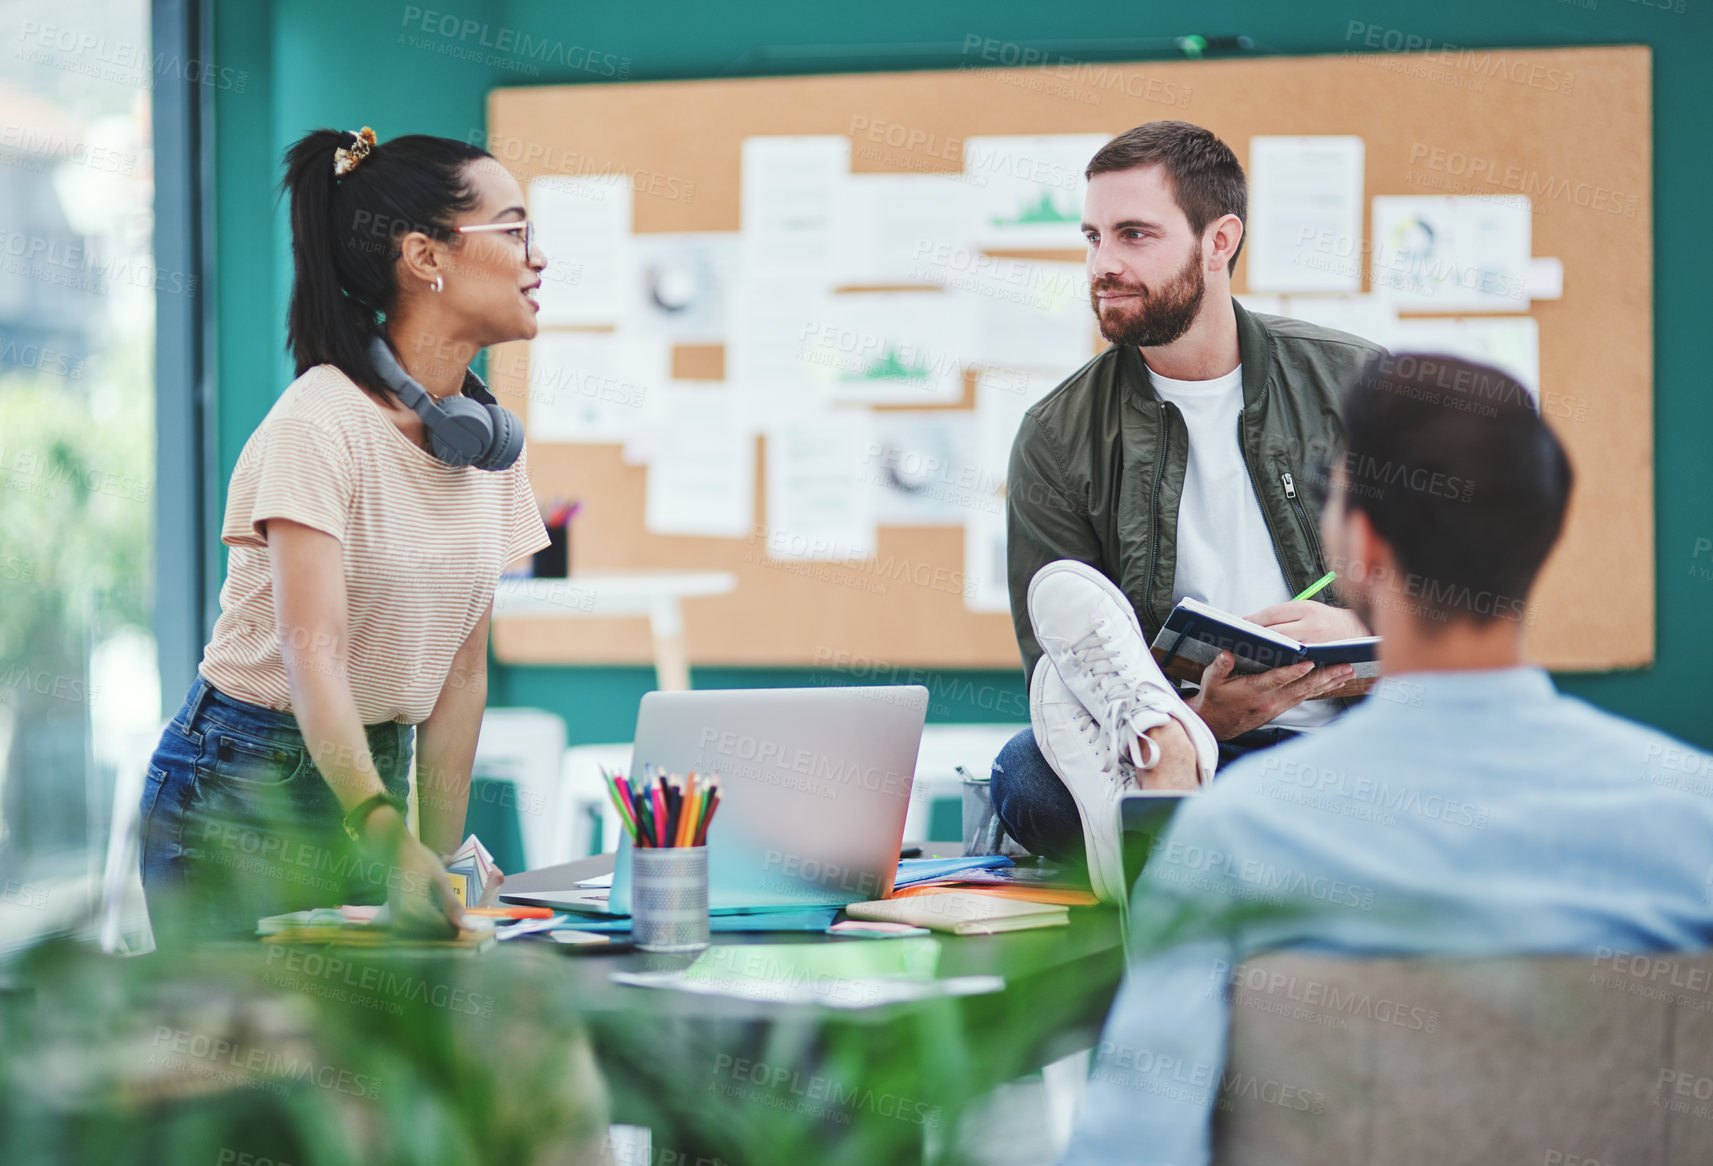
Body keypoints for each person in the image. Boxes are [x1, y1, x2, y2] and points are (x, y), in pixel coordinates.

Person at [1054, 352, 1713, 1164]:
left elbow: (1134, 1149)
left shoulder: (1235, 842)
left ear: (1360, 544)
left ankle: (1166, 750)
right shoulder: (1694, 818)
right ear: (1540, 540)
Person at [139, 126, 552, 938]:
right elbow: (310, 653)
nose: (538, 259)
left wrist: (437, 860)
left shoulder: (486, 443)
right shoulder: (319, 423)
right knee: (255, 1058)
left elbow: (462, 677)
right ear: (425, 257)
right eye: (513, 231)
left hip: (370, 774)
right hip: (244, 784)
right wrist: (389, 842)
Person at [993, 120, 1385, 897]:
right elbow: (1058, 668)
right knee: (1025, 777)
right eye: (1093, 236)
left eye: (1134, 234)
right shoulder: (1057, 433)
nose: (1103, 264)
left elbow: (1460, 600)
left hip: (1349, 739)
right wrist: (1201, 720)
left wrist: (1362, 641)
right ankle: (1173, 776)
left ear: (1219, 240)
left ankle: (1162, 853)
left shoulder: (1356, 386)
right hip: (1193, 742)